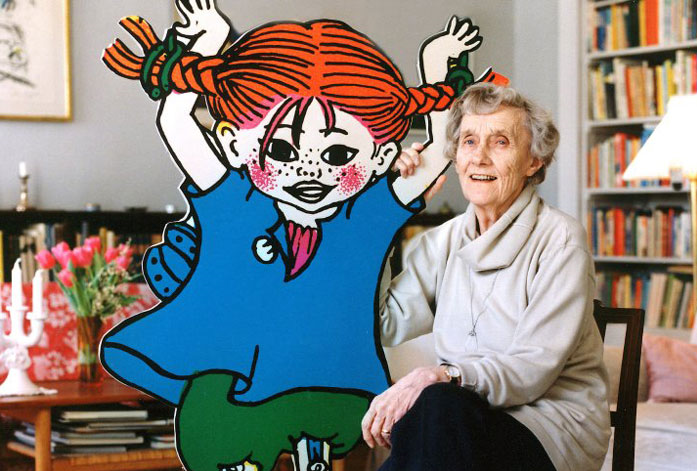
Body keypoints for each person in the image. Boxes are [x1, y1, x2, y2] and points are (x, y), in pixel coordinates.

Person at [99, 2, 506, 470]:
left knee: (324, 410)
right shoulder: (233, 198)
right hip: (236, 382)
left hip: (332, 385)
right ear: (235, 144)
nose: (309, 170)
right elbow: (176, 123)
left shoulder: (367, 213)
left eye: (337, 154)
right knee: (211, 416)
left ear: (379, 157)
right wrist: (206, 41)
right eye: (280, 149)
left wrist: (437, 68)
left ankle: (311, 448)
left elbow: (439, 152)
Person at [362, 83, 611, 471]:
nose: (479, 157)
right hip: (461, 419)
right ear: (454, 157)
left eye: (500, 142)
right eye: (468, 141)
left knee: (435, 405)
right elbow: (384, 323)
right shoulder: (441, 241)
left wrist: (442, 376)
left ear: (534, 161)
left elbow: (532, 369)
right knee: (434, 414)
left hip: (550, 427)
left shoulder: (560, 239)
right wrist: (386, 214)